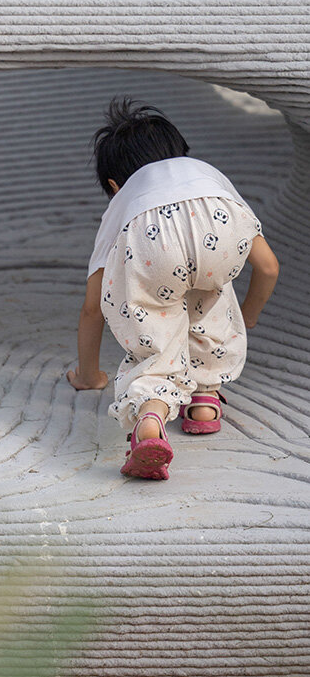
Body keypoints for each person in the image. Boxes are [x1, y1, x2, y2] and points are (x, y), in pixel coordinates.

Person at [66, 97, 279, 480]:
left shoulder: (126, 200)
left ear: (114, 185)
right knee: (211, 292)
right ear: (179, 153)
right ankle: (204, 400)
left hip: (152, 247)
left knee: (155, 324)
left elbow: (92, 307)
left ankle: (150, 417)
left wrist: (89, 374)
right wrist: (247, 316)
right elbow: (268, 267)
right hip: (219, 230)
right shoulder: (207, 176)